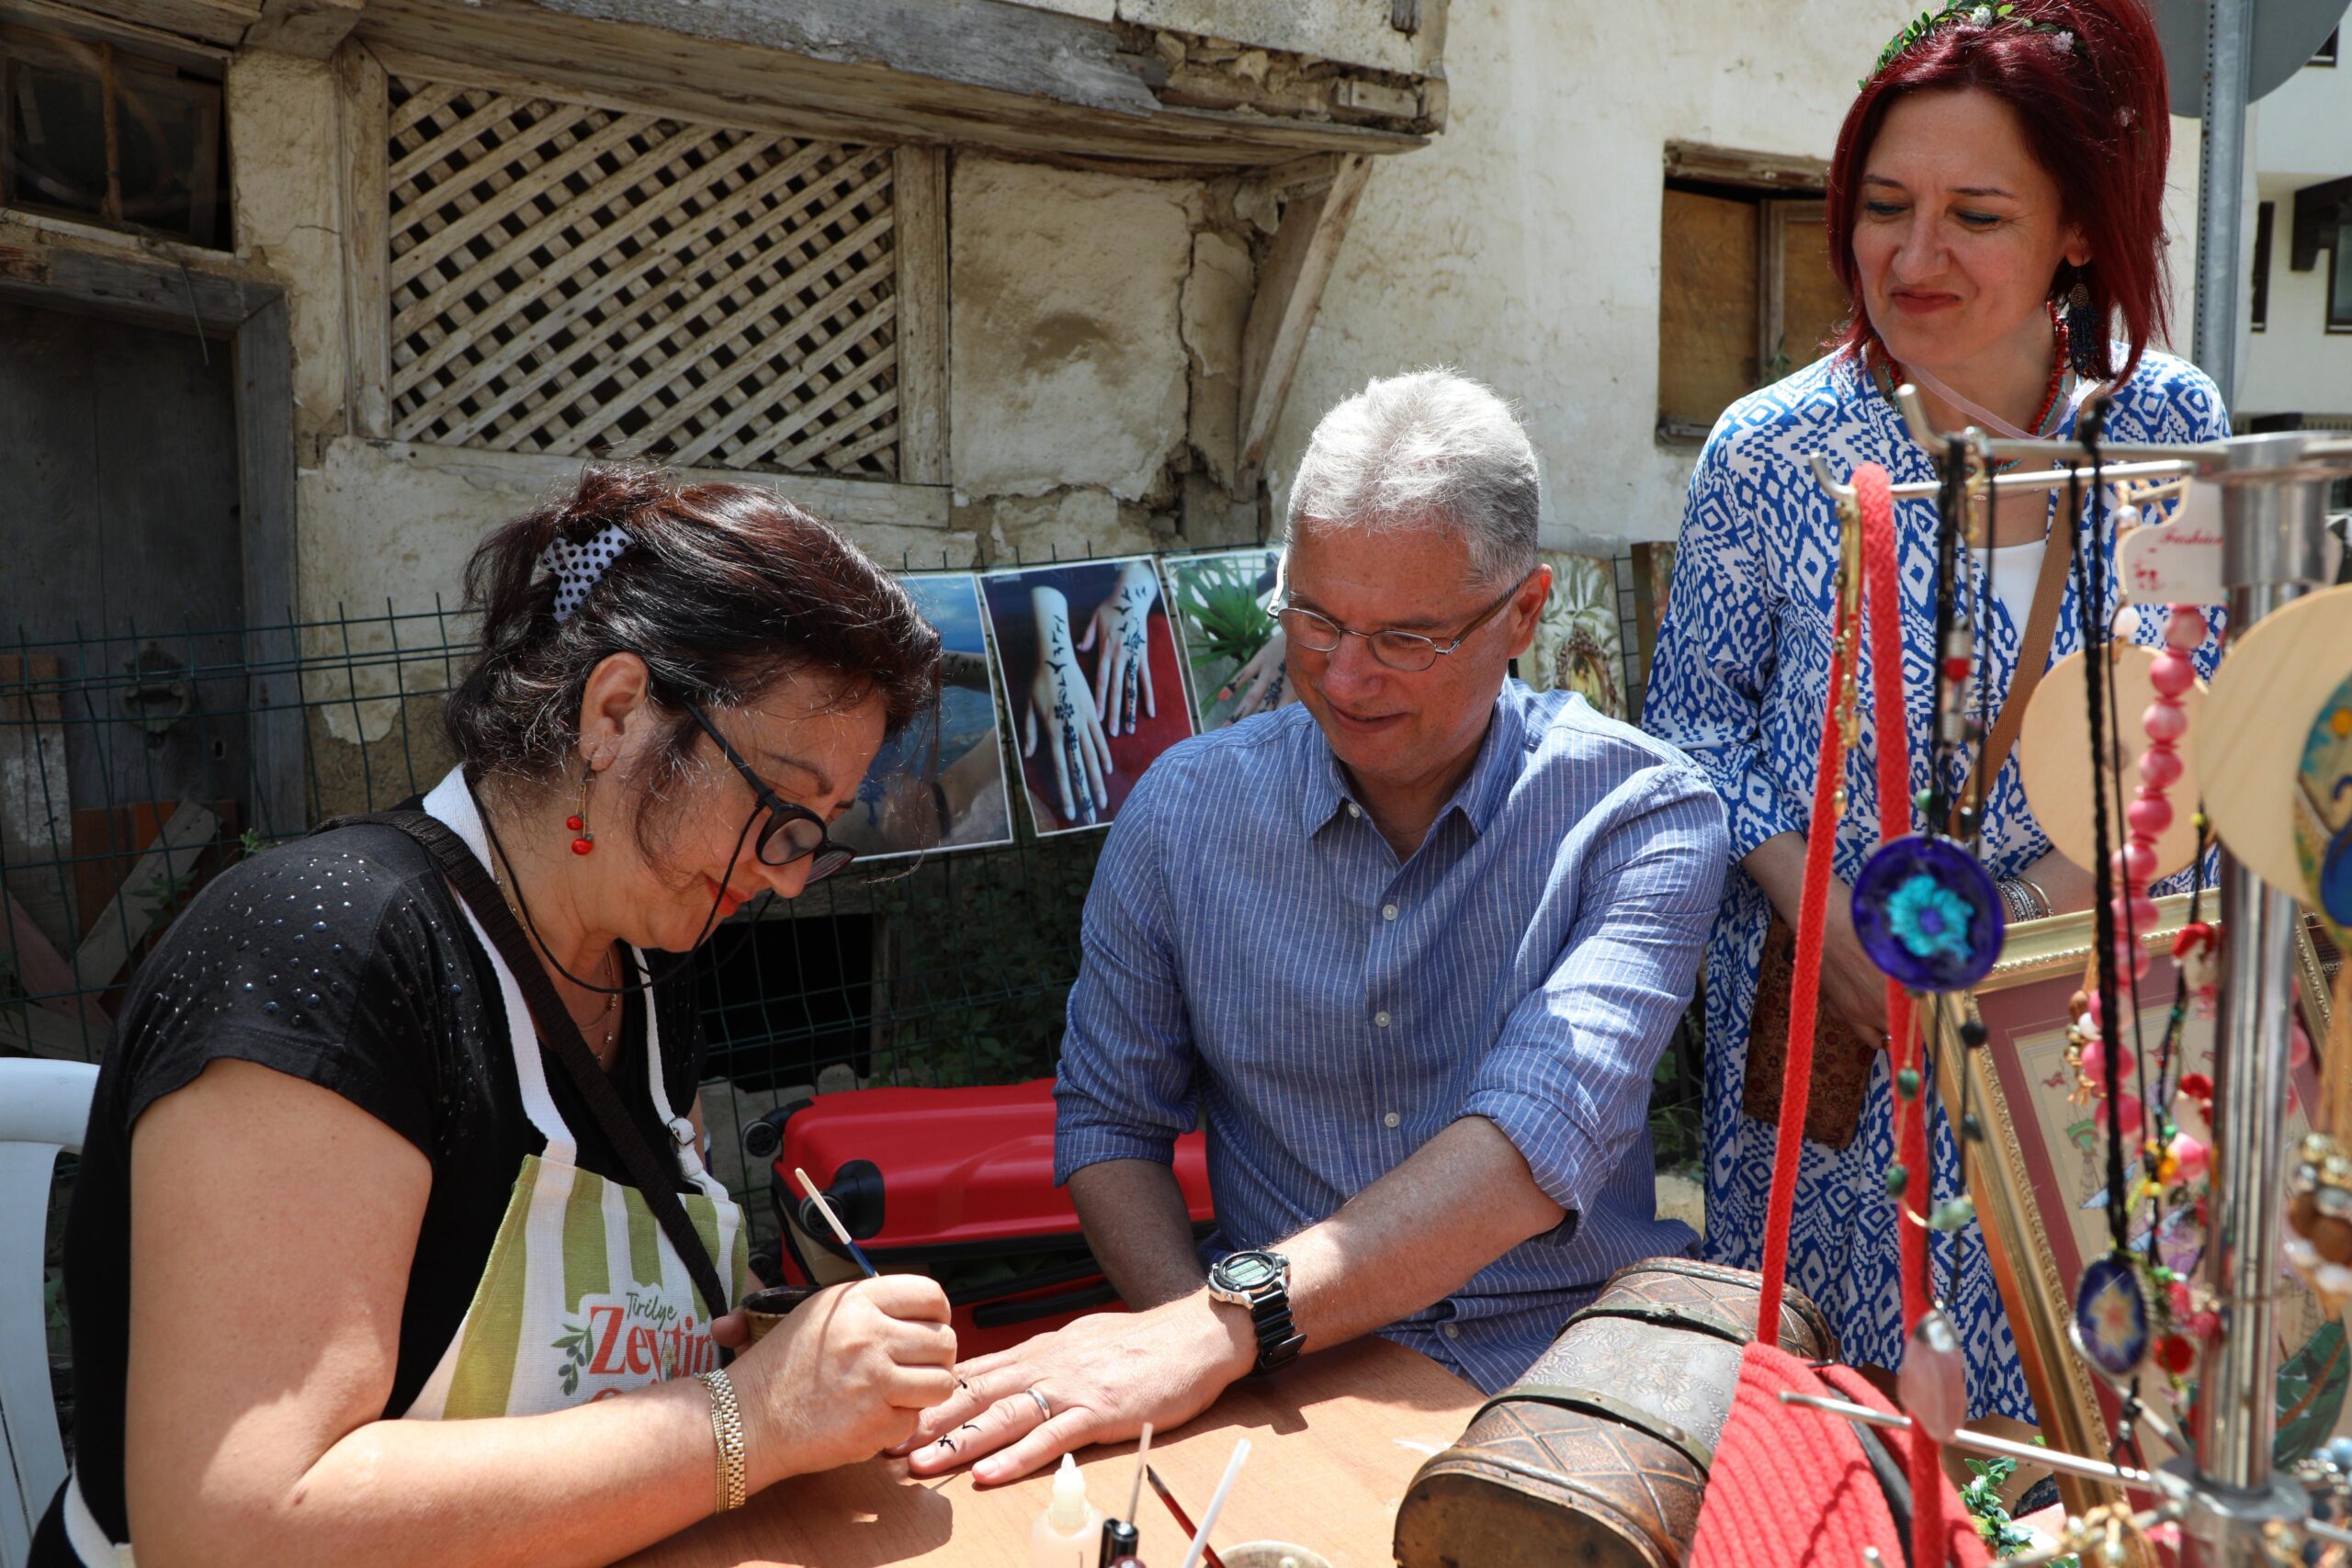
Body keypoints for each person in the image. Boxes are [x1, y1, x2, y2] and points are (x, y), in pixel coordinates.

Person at [34, 466, 962, 1567]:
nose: (793, 877)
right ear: (614, 711)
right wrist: (747, 1420)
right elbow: (237, 1521)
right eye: (777, 808)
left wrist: (790, 1347)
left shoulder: (639, 954)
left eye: (817, 829)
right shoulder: (328, 948)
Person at [896, 368, 1729, 1484]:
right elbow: (1108, 1124)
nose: (1342, 677)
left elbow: (1532, 1144)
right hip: (1280, 1389)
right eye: (1315, 617)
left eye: (1405, 640)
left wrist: (1218, 1329)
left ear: (1523, 613)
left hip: (1573, 1382)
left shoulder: (1639, 814)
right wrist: (1197, 1348)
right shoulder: (1185, 809)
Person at [1640, 0, 2227, 1429]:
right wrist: (1838, 925)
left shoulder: (2166, 434)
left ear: (2079, 231)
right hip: (1847, 1047)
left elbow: (2199, 719)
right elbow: (1692, 727)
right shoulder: (1777, 451)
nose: (1914, 257)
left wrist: (2023, 913)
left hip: (2085, 1048)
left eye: (1975, 212)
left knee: (2078, 1440)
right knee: (1835, 1434)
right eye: (1884, 207)